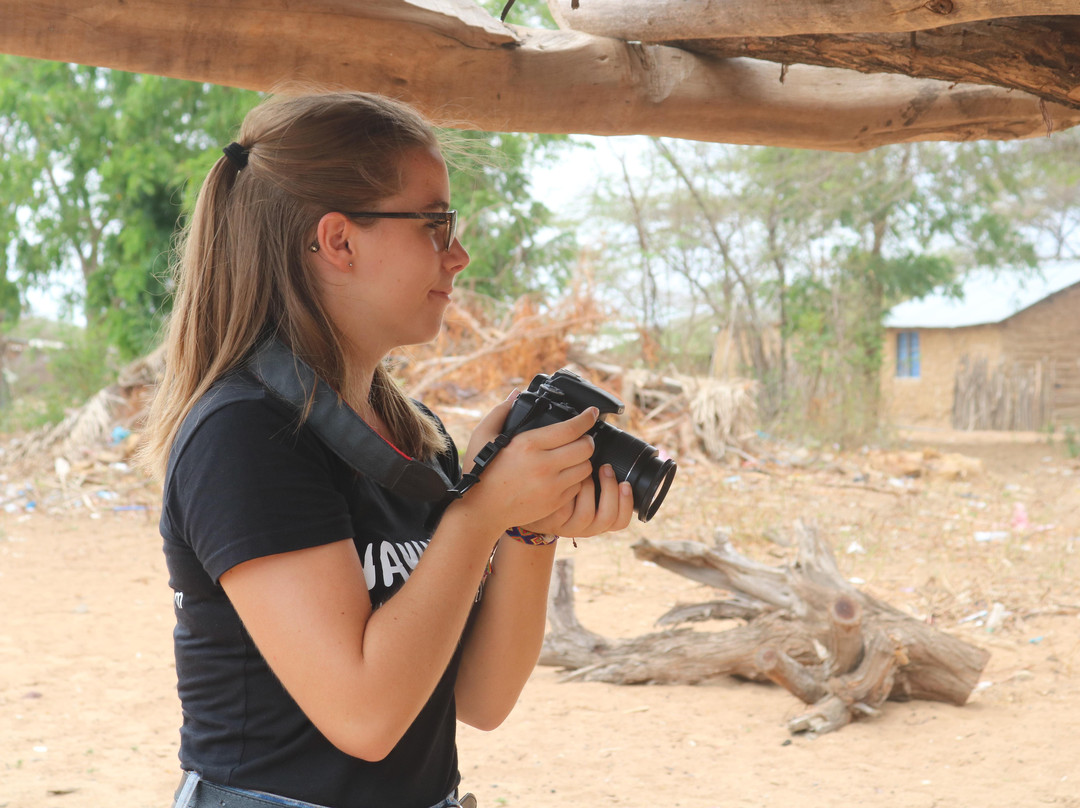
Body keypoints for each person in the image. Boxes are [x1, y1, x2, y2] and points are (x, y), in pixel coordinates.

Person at [142, 90, 634, 808]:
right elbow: (365, 716)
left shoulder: (408, 432)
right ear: (339, 241)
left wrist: (527, 524)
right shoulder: (246, 435)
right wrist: (479, 513)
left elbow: (481, 697)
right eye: (436, 225)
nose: (458, 255)